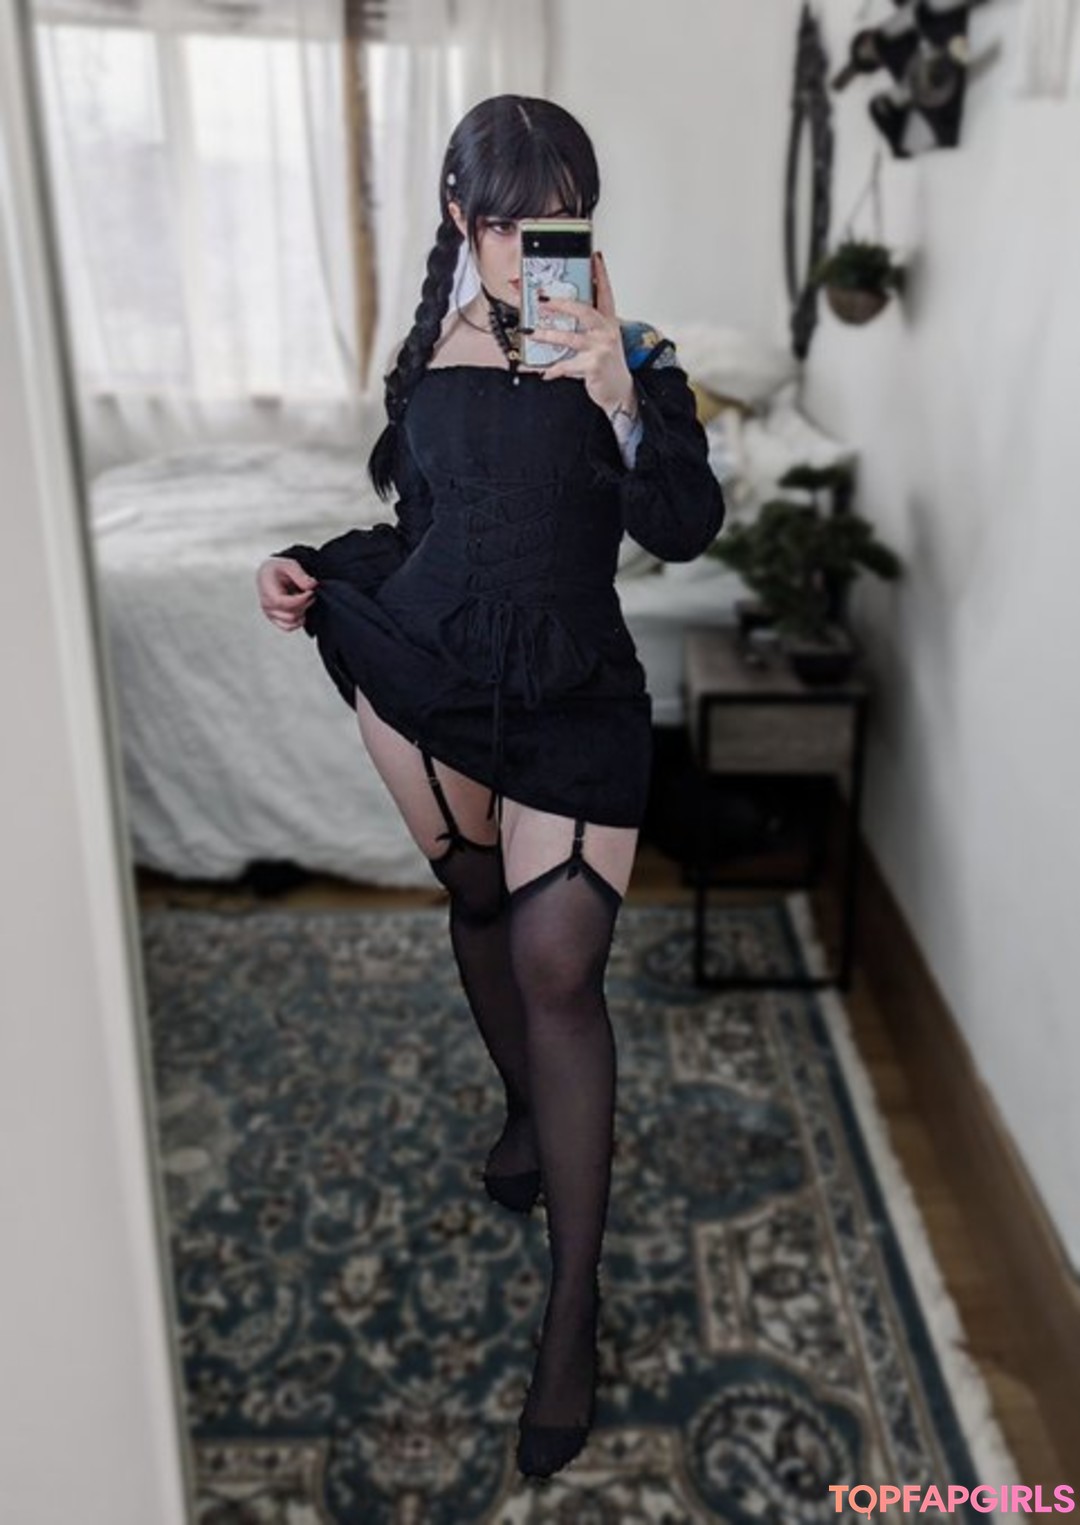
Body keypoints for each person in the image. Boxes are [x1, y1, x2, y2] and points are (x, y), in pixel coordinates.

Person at [255, 94, 725, 1481]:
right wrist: (305, 563)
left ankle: (572, 1309)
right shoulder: (428, 355)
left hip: (574, 692)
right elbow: (422, 531)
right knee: (475, 902)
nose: (530, 249)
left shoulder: (634, 355)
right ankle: (521, 1102)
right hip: (437, 672)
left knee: (557, 965)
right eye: (507, 222)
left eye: (559, 221)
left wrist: (621, 391)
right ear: (461, 217)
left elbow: (686, 527)